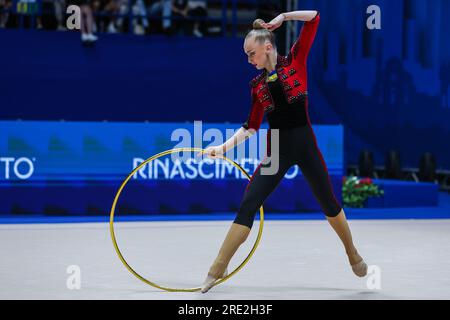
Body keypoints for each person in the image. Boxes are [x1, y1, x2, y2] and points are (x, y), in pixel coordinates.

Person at [199, 10, 368, 293]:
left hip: (305, 145)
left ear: (267, 48)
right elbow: (251, 127)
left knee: (328, 203)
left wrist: (284, 17)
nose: (249, 60)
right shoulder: (257, 87)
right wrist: (222, 148)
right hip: (277, 150)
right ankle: (216, 268)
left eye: (251, 53)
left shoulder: (296, 61)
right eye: (246, 55)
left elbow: (315, 18)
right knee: (248, 204)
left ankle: (352, 253)